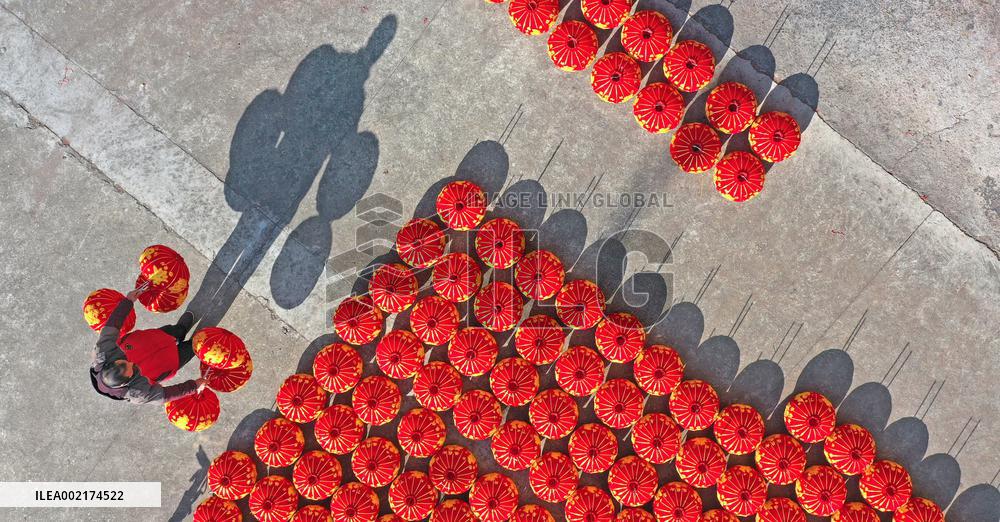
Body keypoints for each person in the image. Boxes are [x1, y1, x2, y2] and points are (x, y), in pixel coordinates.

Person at [90, 286, 206, 404]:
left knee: (175, 331)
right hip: (165, 364)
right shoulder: (138, 393)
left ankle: (181, 329)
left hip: (149, 340)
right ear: (125, 383)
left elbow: (113, 324)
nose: (131, 362)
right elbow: (166, 395)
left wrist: (128, 301)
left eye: (124, 361)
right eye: (131, 368)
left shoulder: (103, 351)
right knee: (193, 347)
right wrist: (194, 386)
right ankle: (198, 342)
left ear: (111, 362)